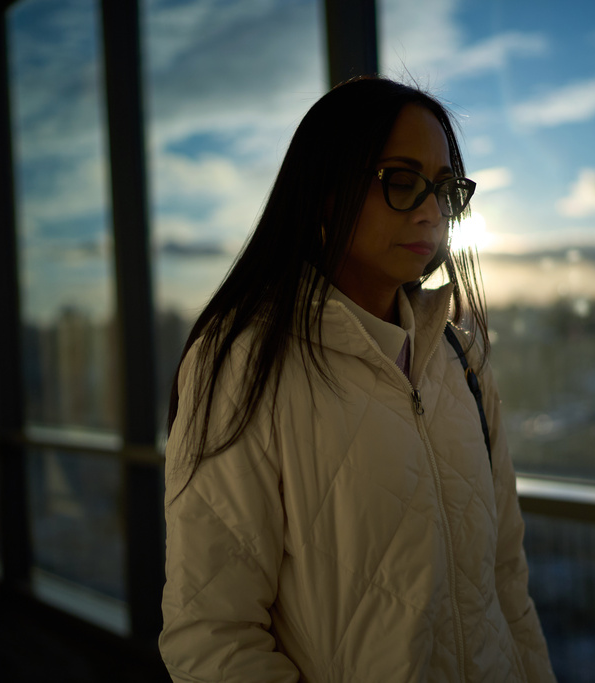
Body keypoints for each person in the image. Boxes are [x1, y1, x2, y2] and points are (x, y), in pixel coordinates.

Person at [159, 76, 555, 682]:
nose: (431, 211)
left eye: (444, 188)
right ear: (325, 190)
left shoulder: (462, 360)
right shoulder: (246, 362)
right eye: (401, 180)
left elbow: (506, 584)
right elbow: (212, 637)